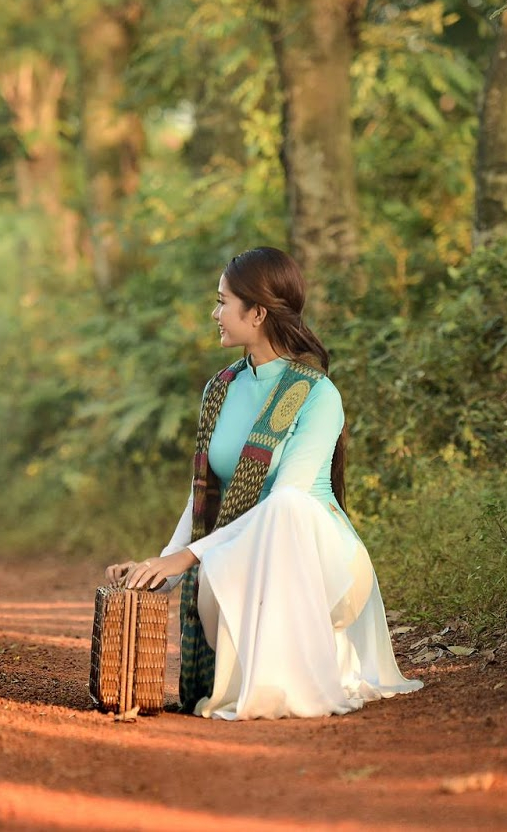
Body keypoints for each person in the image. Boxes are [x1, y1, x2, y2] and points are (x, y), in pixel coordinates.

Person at [105, 248, 422, 720]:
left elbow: (286, 504)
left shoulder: (316, 394)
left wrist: (189, 556)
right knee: (224, 565)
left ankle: (298, 671)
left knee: (288, 506)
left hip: (323, 562)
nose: (215, 313)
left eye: (222, 302)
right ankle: (265, 671)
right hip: (240, 553)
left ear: (256, 313)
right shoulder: (220, 389)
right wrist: (161, 570)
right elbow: (204, 497)